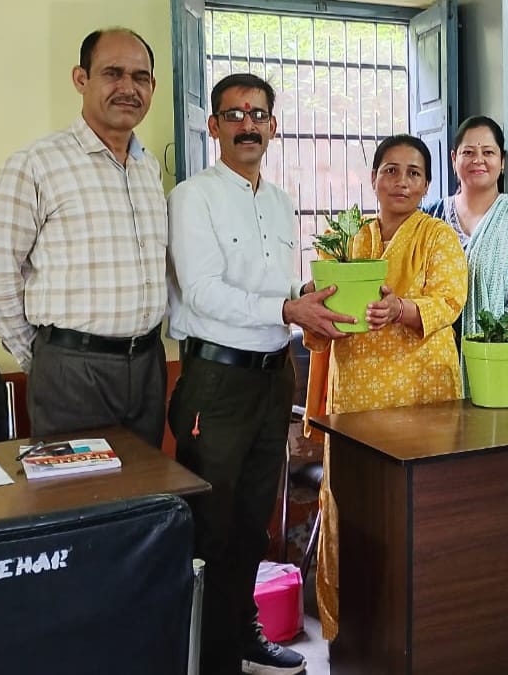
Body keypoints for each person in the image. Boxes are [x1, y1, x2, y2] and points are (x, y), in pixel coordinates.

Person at [167, 73, 351, 675]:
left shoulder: (277, 198)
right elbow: (202, 292)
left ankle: (242, 638)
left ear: (272, 125)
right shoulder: (192, 197)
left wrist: (308, 298)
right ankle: (206, 659)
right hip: (215, 384)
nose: (247, 124)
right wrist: (285, 308)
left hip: (274, 377)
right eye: (234, 114)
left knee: (253, 526)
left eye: (258, 113)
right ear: (214, 126)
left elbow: (278, 287)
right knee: (210, 528)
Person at [303, 134, 468, 640]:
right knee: (352, 504)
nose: (401, 181)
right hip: (354, 396)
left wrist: (402, 308)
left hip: (423, 393)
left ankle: (425, 627)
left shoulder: (439, 237)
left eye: (414, 173)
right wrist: (314, 296)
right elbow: (317, 309)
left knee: (421, 508)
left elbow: (450, 300)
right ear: (373, 177)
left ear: (427, 184)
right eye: (390, 170)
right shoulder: (343, 237)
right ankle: (351, 629)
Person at [0, 28, 168, 447]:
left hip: (149, 367)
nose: (128, 88)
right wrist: (43, 356)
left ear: (152, 86)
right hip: (71, 373)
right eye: (112, 73)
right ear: (81, 79)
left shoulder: (147, 169)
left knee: (144, 502)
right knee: (82, 504)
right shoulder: (36, 164)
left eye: (140, 77)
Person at [423, 116, 508, 346]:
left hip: (499, 353)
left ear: (502, 161)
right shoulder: (432, 214)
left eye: (488, 152)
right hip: (435, 351)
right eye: (468, 152)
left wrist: (493, 350)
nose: (478, 160)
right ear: (453, 159)